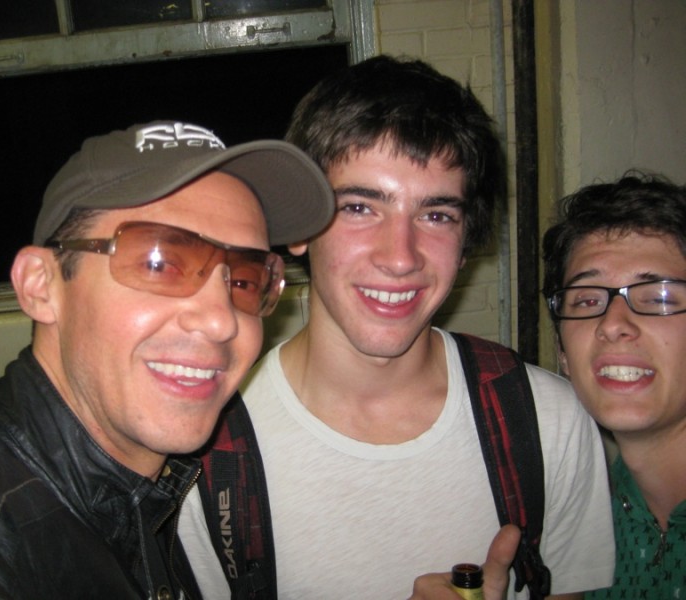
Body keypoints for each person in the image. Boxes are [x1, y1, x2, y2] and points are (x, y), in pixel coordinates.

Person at [178, 56, 615, 599]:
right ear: (300, 228)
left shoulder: (548, 423)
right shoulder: (206, 461)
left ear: (465, 244)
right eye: (360, 208)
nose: (401, 257)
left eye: (436, 215)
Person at [0, 120, 334, 598]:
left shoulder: (151, 487)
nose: (221, 321)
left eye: (243, 280)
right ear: (40, 284)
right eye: (159, 263)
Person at [542, 172, 686, 599]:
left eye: (658, 297)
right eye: (587, 300)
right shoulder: (578, 525)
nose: (613, 324)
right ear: (563, 353)